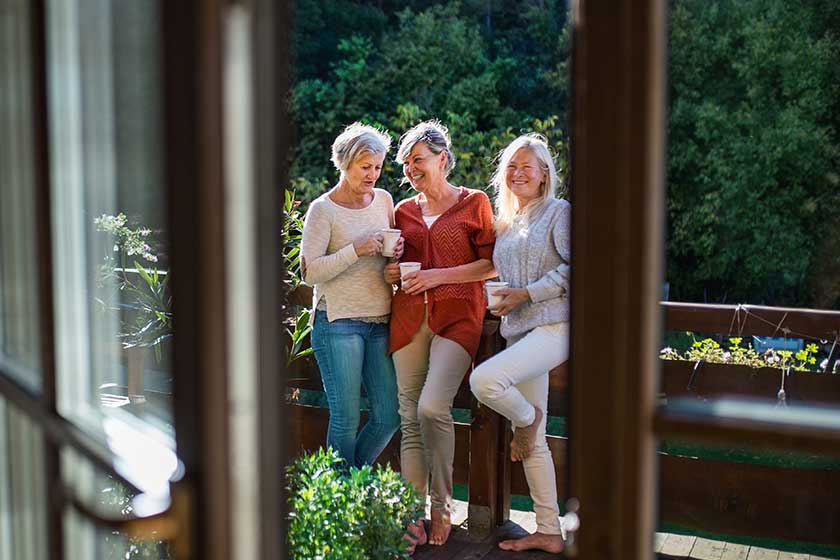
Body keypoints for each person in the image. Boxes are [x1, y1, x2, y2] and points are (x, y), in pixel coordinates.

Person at [383, 120, 496, 549]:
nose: (412, 168)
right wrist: (394, 271)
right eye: (407, 162)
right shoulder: (402, 212)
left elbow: (490, 266)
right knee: (409, 418)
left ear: (443, 159)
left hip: (458, 318)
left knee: (433, 407)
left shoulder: (475, 203)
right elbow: (397, 271)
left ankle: (442, 505)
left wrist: (434, 277)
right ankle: (412, 520)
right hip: (409, 319)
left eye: (419, 160)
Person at [469, 133, 570, 554]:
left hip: (555, 327)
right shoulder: (507, 224)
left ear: (545, 174)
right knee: (537, 442)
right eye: (511, 166)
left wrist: (527, 295)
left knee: (484, 382)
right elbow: (504, 280)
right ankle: (549, 529)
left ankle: (526, 419)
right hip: (520, 330)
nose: (518, 173)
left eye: (527, 166)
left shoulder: (559, 212)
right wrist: (505, 300)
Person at [301, 122, 402, 469]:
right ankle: (344, 506)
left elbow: (389, 260)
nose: (373, 174)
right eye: (365, 167)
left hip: (380, 322)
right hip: (337, 322)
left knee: (389, 416)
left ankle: (346, 489)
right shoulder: (322, 210)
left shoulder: (385, 200)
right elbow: (309, 271)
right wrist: (354, 250)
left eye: (377, 167)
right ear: (344, 163)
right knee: (345, 419)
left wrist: (397, 254)